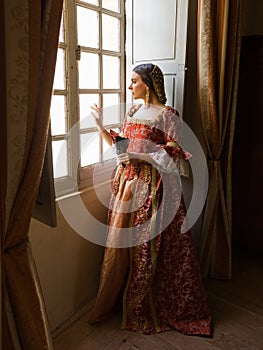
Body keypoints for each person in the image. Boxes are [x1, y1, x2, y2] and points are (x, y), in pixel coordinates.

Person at [89, 63, 212, 336]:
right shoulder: (132, 111)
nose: (130, 86)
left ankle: (150, 304)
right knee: (124, 246)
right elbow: (122, 148)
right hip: (128, 184)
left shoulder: (168, 115)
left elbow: (172, 154)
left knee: (151, 246)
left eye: (134, 81)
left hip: (157, 187)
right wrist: (99, 125)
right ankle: (124, 300)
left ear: (148, 83)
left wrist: (140, 156)